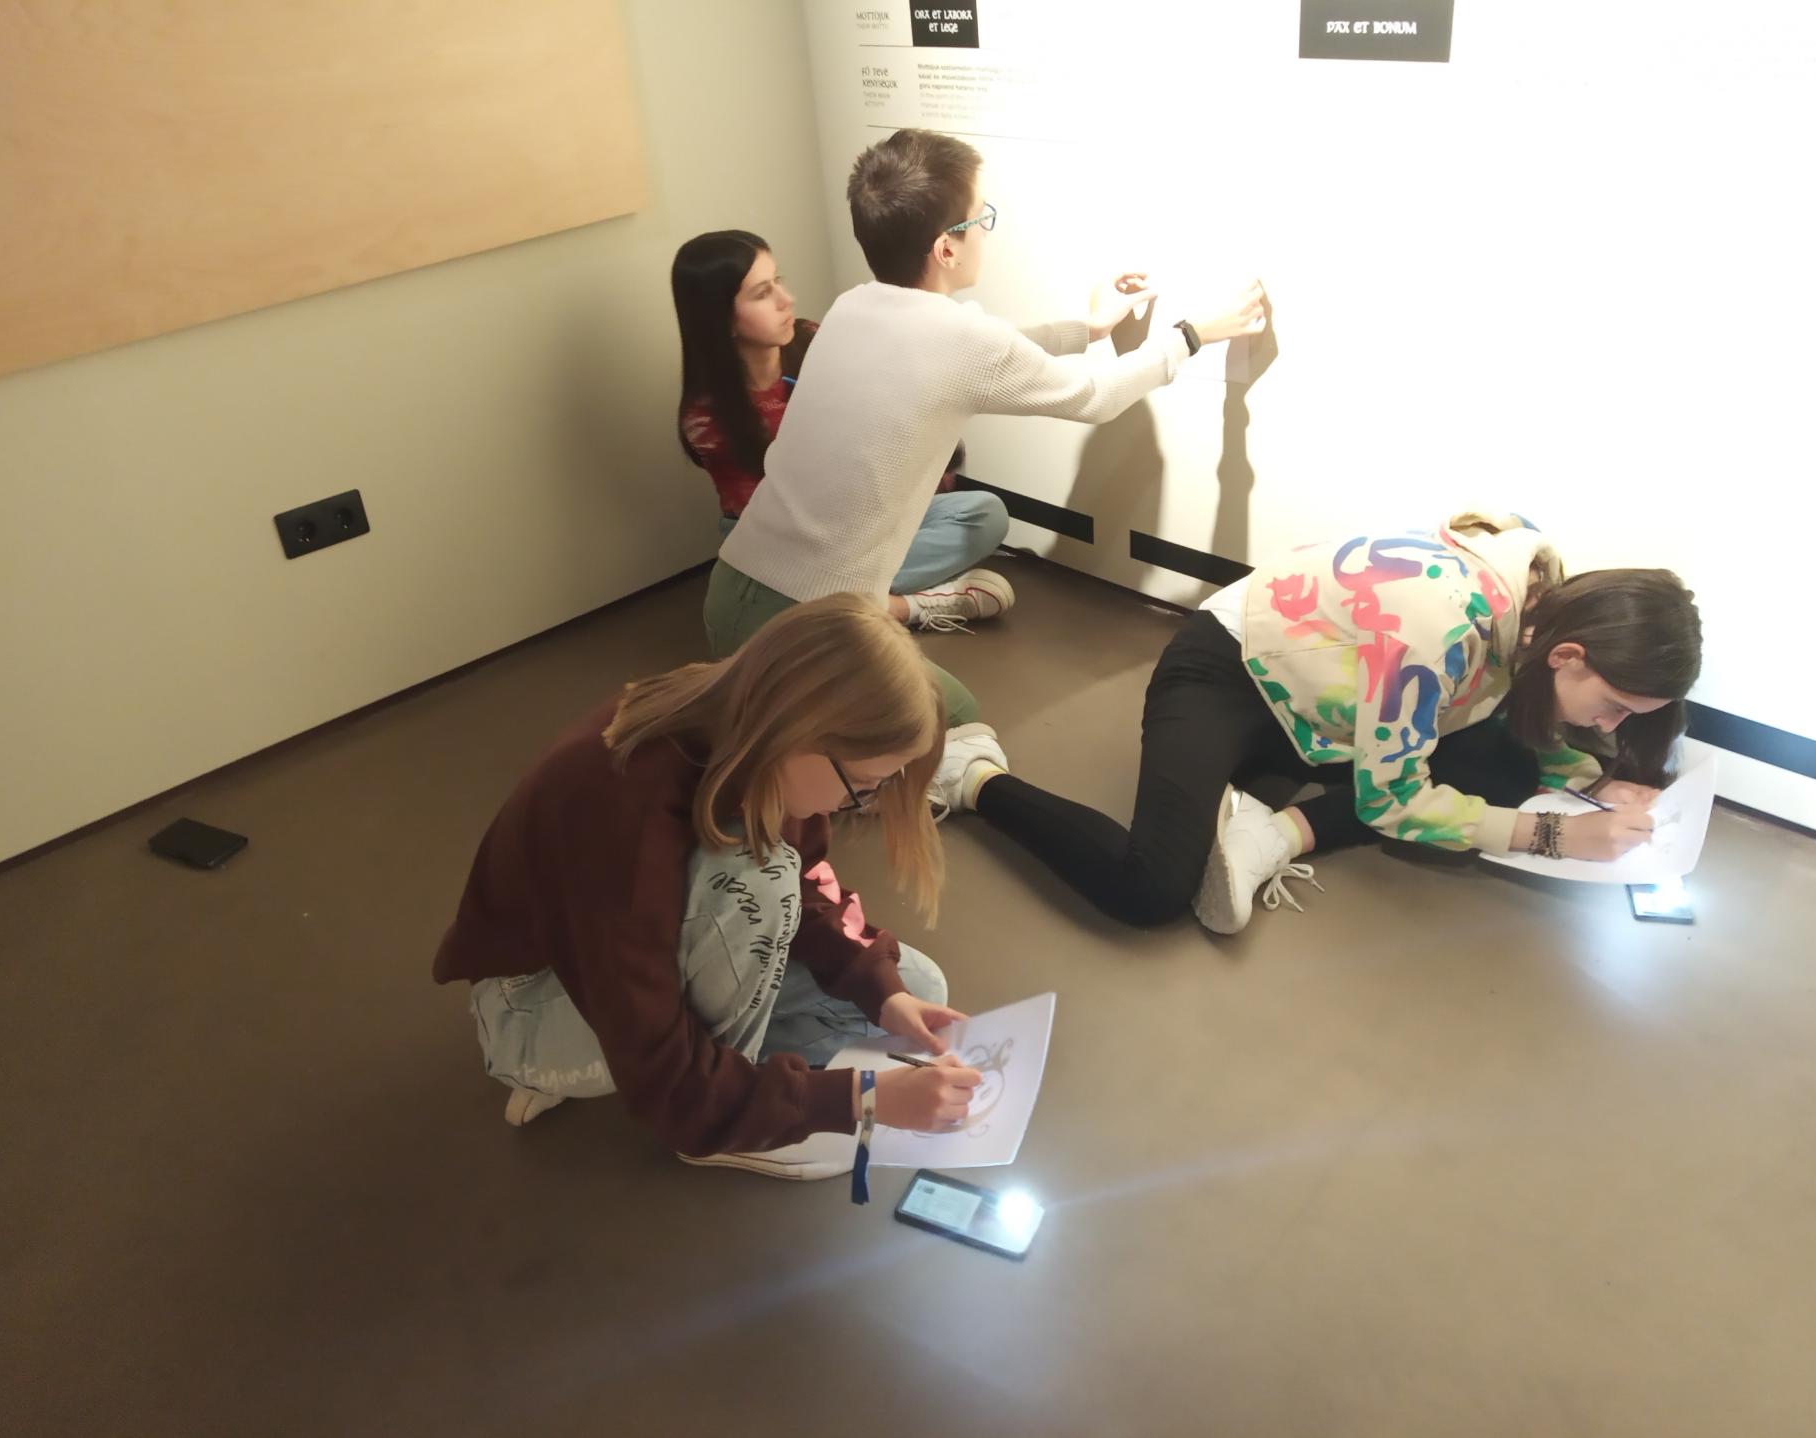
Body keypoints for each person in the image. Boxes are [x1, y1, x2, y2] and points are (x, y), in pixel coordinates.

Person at [703, 128, 1270, 727]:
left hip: (731, 585)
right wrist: (1191, 336)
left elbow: (982, 353)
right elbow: (1094, 397)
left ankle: (868, 634)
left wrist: (1091, 329)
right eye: (981, 218)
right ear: (946, 248)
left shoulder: (852, 307)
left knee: (980, 515)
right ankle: (858, 654)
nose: (985, 232)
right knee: (953, 719)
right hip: (803, 625)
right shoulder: (959, 340)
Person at [928, 513, 1704, 932]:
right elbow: (1391, 802)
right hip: (1227, 671)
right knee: (1150, 887)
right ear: (1569, 654)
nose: (1608, 724)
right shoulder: (1444, 625)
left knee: (1505, 774)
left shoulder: (1543, 602)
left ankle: (1267, 834)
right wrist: (1558, 834)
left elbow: (1519, 702)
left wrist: (1591, 783)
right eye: (1614, 708)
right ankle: (974, 778)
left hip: (1327, 698)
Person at [432, 594, 983, 1176]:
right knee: (757, 887)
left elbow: (807, 882)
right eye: (863, 786)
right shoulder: (617, 810)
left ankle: (738, 1085)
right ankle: (726, 1130)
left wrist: (880, 990)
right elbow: (669, 1083)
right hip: (529, 1010)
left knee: (912, 987)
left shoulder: (752, 726)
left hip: (649, 947)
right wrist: (858, 1100)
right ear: (801, 733)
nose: (859, 804)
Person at [672, 229, 1009, 630]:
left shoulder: (812, 339)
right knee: (794, 584)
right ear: (721, 319)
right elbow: (793, 517)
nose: (786, 299)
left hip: (853, 519)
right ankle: (903, 608)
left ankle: (842, 606)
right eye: (762, 294)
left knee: (984, 514)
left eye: (778, 280)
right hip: (785, 542)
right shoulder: (707, 419)